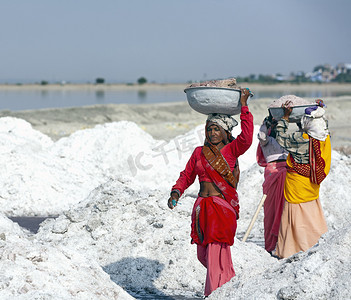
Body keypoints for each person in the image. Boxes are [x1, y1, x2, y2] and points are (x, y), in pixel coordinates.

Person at [167, 88, 254, 297]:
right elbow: (187, 175)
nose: (212, 133)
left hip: (220, 208)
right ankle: (225, 283)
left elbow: (248, 138)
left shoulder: (232, 150)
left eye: (216, 129)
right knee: (203, 254)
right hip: (202, 208)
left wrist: (244, 106)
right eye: (209, 129)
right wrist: (176, 192)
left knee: (216, 252)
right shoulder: (199, 152)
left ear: (225, 132)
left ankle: (214, 292)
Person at [274, 99, 331, 258]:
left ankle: (294, 248)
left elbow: (280, 137)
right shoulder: (324, 138)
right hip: (311, 186)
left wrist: (285, 118)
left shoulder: (302, 139)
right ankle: (316, 241)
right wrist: (318, 108)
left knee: (297, 218)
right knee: (312, 215)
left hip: (297, 186)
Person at [256, 114, 288, 254]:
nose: (276, 128)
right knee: (270, 212)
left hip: (286, 174)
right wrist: (265, 123)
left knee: (285, 210)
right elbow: (261, 136)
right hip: (272, 174)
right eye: (274, 126)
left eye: (278, 125)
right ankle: (270, 245)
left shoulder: (286, 140)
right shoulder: (266, 140)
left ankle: (284, 245)